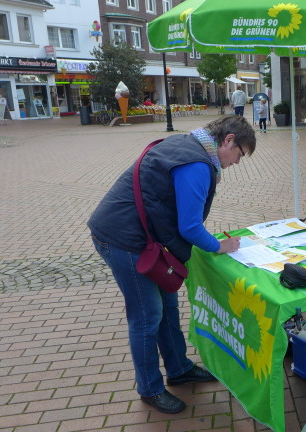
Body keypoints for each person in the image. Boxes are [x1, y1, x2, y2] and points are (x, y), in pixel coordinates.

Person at [87, 115, 255, 414]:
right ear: (228, 140)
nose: (237, 163)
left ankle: (178, 369)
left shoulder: (190, 145)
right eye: (240, 154)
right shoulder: (197, 164)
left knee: (168, 306)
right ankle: (150, 388)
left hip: (143, 237)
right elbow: (190, 227)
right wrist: (219, 246)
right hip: (125, 240)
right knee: (147, 316)